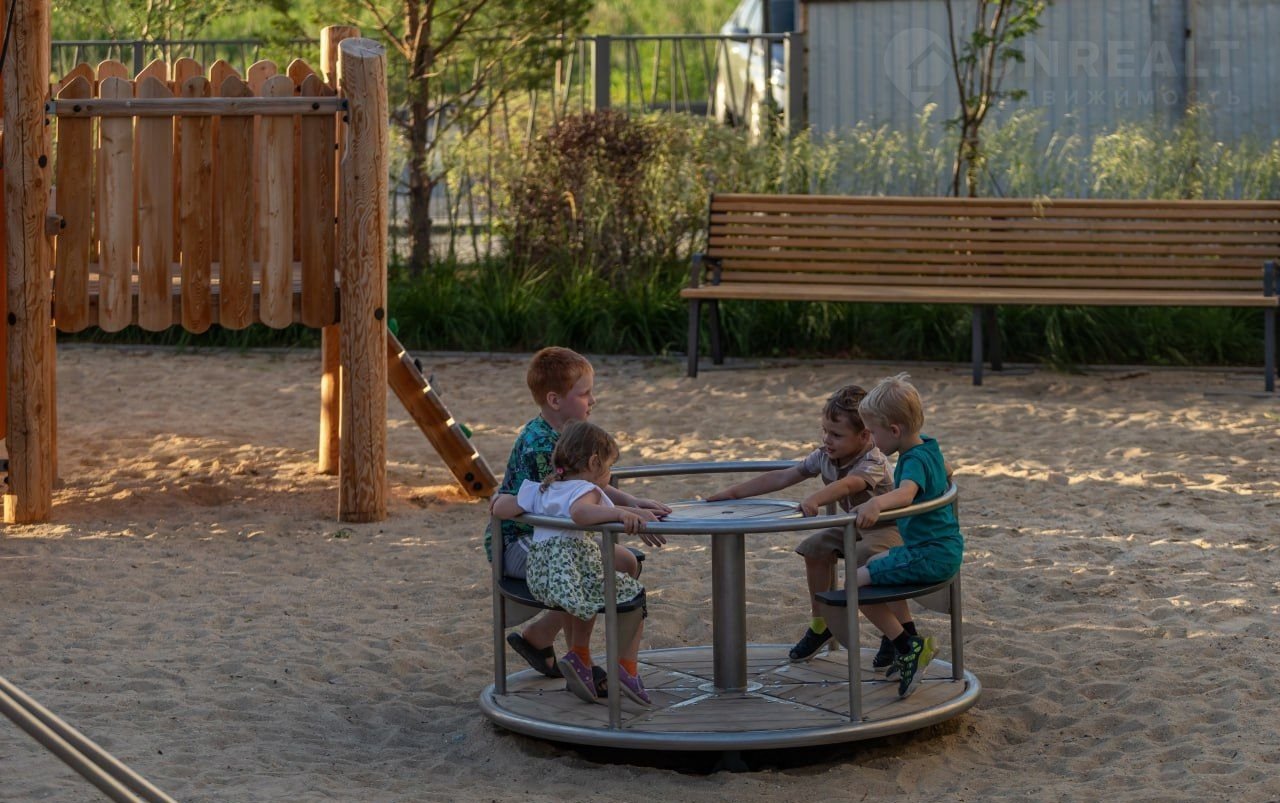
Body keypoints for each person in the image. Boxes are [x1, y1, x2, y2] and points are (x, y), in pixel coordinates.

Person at [484, 347, 669, 681]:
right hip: (520, 539)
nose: (592, 400)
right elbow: (572, 499)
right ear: (555, 400)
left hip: (554, 535)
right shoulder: (541, 444)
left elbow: (586, 486)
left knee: (625, 562)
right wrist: (626, 511)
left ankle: (547, 639)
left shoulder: (564, 435)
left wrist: (633, 502)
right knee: (598, 566)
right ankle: (576, 657)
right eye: (584, 394)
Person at [706, 384, 902, 664]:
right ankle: (821, 624)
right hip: (853, 526)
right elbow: (784, 476)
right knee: (814, 548)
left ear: (864, 435)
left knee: (867, 558)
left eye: (836, 435)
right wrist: (734, 493)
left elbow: (850, 484)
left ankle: (893, 634)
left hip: (887, 527)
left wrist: (815, 499)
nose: (827, 440)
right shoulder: (825, 455)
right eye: (825, 431)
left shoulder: (873, 460)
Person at [491, 421, 657, 705]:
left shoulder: (544, 488)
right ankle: (626, 669)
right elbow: (581, 513)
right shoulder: (586, 490)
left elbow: (501, 507)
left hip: (542, 578)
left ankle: (580, 655)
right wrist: (620, 515)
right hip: (570, 574)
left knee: (588, 588)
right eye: (608, 467)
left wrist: (499, 499)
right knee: (634, 596)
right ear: (594, 463)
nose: (609, 475)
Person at [852, 373, 962, 699]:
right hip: (943, 548)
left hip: (928, 554)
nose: (871, 440)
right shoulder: (928, 446)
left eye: (873, 432)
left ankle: (906, 646)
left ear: (895, 430)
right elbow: (948, 470)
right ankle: (909, 639)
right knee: (878, 560)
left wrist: (875, 503)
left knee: (854, 584)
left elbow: (905, 494)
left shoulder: (912, 461)